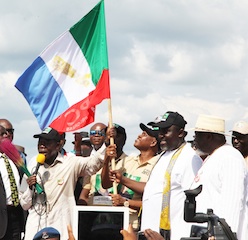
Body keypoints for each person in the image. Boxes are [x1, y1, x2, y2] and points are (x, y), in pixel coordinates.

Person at [19, 127, 115, 240]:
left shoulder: (70, 162)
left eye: (47, 142)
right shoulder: (32, 165)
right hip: (35, 229)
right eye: (40, 142)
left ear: (58, 145)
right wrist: (30, 188)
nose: (42, 146)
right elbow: (24, 204)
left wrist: (107, 144)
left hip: (61, 228)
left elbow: (93, 164)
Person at [124, 111, 202, 240]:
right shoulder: (163, 155)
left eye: (166, 131)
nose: (161, 136)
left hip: (173, 235)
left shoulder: (189, 158)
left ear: (181, 133)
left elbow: (193, 201)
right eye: (159, 131)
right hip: (150, 232)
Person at [191, 114, 248, 240]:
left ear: (208, 136)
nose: (194, 140)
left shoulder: (230, 157)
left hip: (222, 235)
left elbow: (233, 202)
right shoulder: (215, 156)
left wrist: (223, 236)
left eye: (197, 136)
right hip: (208, 232)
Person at [101, 123, 160, 231]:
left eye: (144, 134)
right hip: (114, 223)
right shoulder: (128, 161)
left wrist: (125, 202)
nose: (139, 136)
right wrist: (106, 161)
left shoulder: (159, 165)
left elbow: (153, 198)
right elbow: (106, 184)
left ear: (153, 142)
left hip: (134, 226)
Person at [0, 125, 24, 240]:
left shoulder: (15, 159)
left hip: (15, 217)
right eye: (2, 134)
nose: (6, 136)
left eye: (8, 132)